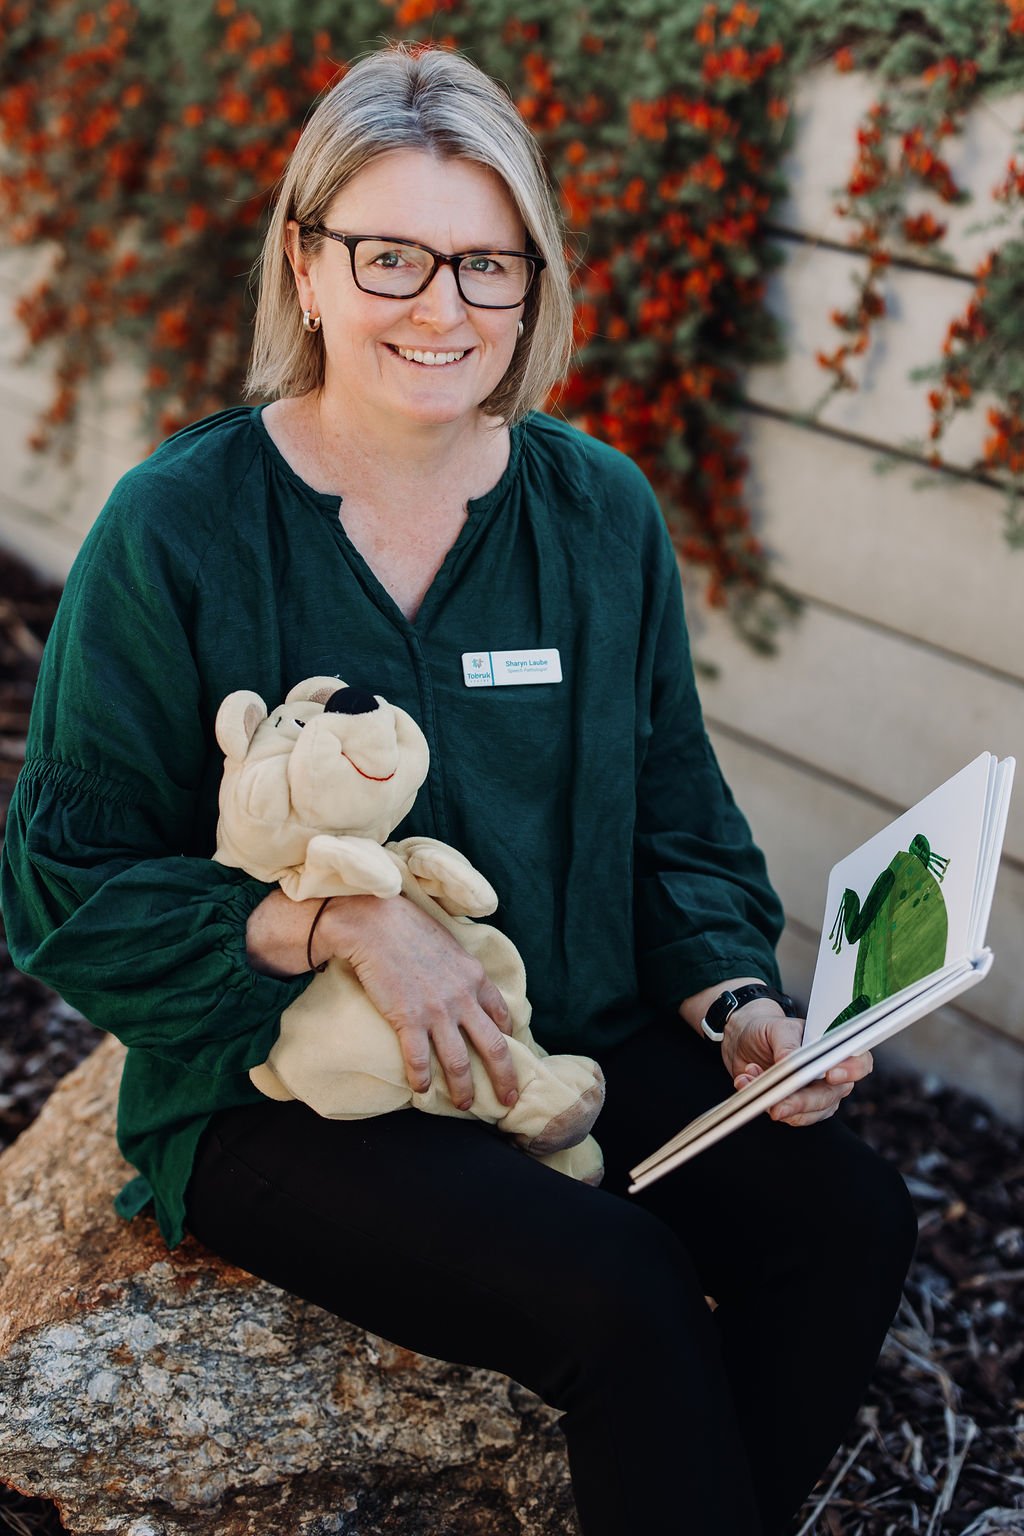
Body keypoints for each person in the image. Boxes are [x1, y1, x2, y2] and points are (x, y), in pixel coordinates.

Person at [1, 44, 916, 1535]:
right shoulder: (178, 526)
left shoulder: (597, 511)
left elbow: (677, 822)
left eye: (488, 265)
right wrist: (340, 927)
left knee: (848, 1220)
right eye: (392, 255)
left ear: (534, 282)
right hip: (288, 1085)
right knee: (613, 1286)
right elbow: (62, 881)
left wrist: (743, 1006)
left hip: (576, 1028)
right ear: (306, 265)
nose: (444, 308)